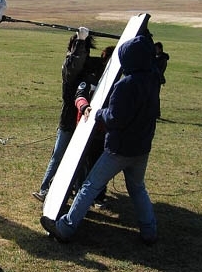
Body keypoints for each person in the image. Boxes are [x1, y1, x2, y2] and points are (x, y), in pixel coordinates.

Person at [41, 34, 160, 245]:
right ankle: (149, 231)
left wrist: (97, 113)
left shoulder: (125, 86)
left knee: (90, 186)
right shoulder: (153, 80)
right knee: (138, 188)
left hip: (119, 149)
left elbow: (114, 119)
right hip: (142, 148)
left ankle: (65, 228)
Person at [33, 27, 95, 202]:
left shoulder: (85, 64)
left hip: (81, 118)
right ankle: (46, 190)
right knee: (60, 155)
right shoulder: (71, 64)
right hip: (71, 118)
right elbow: (74, 64)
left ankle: (78, 193)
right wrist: (81, 41)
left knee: (79, 158)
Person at [72, 46, 115, 208]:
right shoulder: (90, 78)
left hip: (103, 131)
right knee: (81, 164)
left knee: (99, 164)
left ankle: (99, 195)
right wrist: (84, 107)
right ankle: (79, 193)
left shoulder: (117, 82)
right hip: (84, 128)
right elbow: (79, 95)